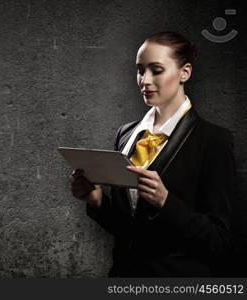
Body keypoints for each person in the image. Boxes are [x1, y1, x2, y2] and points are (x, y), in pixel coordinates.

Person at [71, 32, 235, 277]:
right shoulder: (125, 135)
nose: (144, 80)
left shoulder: (213, 140)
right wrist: (97, 201)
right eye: (140, 70)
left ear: (185, 72)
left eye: (156, 70)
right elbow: (130, 230)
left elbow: (220, 240)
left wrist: (166, 202)